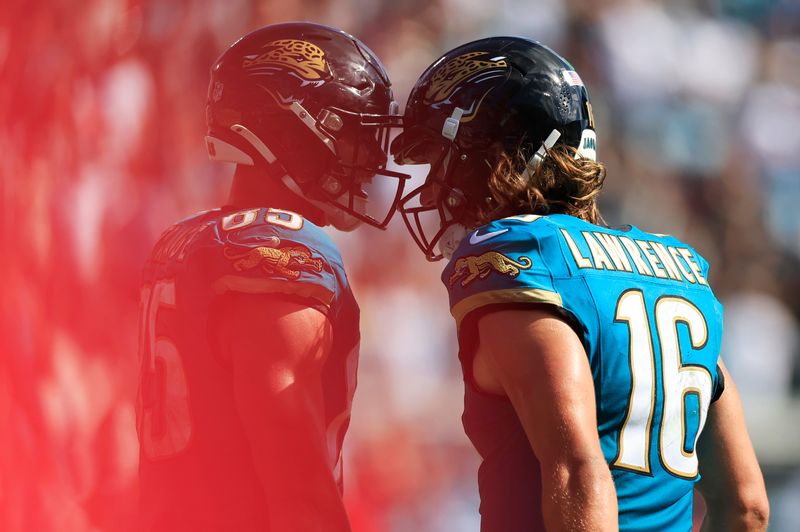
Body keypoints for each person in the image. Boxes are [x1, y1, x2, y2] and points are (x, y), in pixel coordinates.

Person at [391, 36, 769, 531]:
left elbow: (576, 472)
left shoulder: (523, 255)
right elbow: (747, 505)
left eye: (444, 159)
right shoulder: (677, 269)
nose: (435, 185)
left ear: (496, 152)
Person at [136, 22, 408, 532]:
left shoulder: (186, 239)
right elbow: (298, 489)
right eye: (351, 131)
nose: (368, 156)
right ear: (289, 127)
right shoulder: (276, 249)